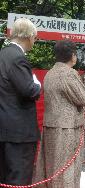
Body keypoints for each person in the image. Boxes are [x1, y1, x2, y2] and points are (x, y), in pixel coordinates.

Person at [33, 40, 85, 187]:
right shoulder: (69, 74)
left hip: (50, 126)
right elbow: (83, 98)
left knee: (51, 167)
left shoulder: (49, 73)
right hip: (67, 129)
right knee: (66, 168)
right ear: (72, 55)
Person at [0, 18, 41, 185]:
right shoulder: (17, 58)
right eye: (35, 38)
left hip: (4, 129)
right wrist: (37, 83)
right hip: (19, 133)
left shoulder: (2, 54)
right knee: (19, 179)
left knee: (4, 178)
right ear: (29, 36)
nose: (34, 42)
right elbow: (29, 91)